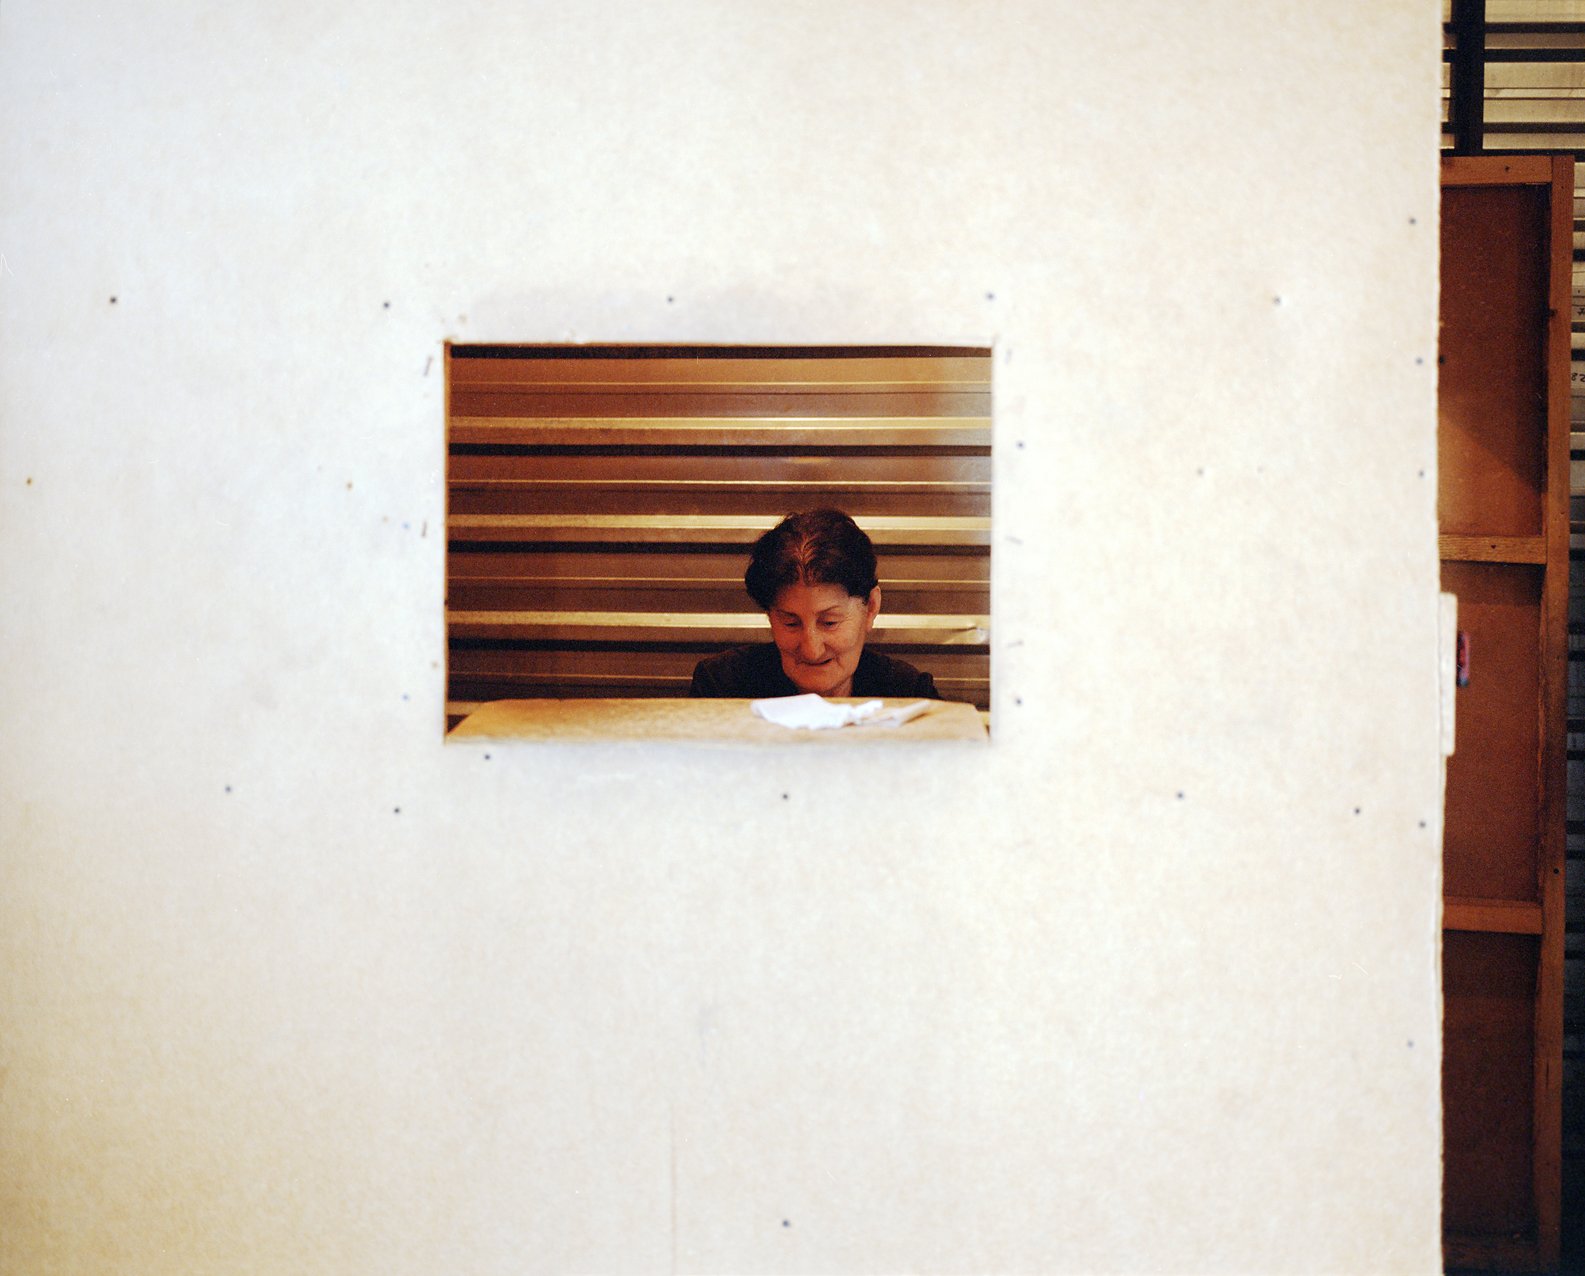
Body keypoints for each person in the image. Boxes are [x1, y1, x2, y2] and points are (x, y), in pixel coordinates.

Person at [690, 509, 941, 700]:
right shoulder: (722, 688)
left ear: (871, 608)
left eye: (829, 623)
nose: (812, 650)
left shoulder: (908, 695)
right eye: (790, 622)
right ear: (770, 615)